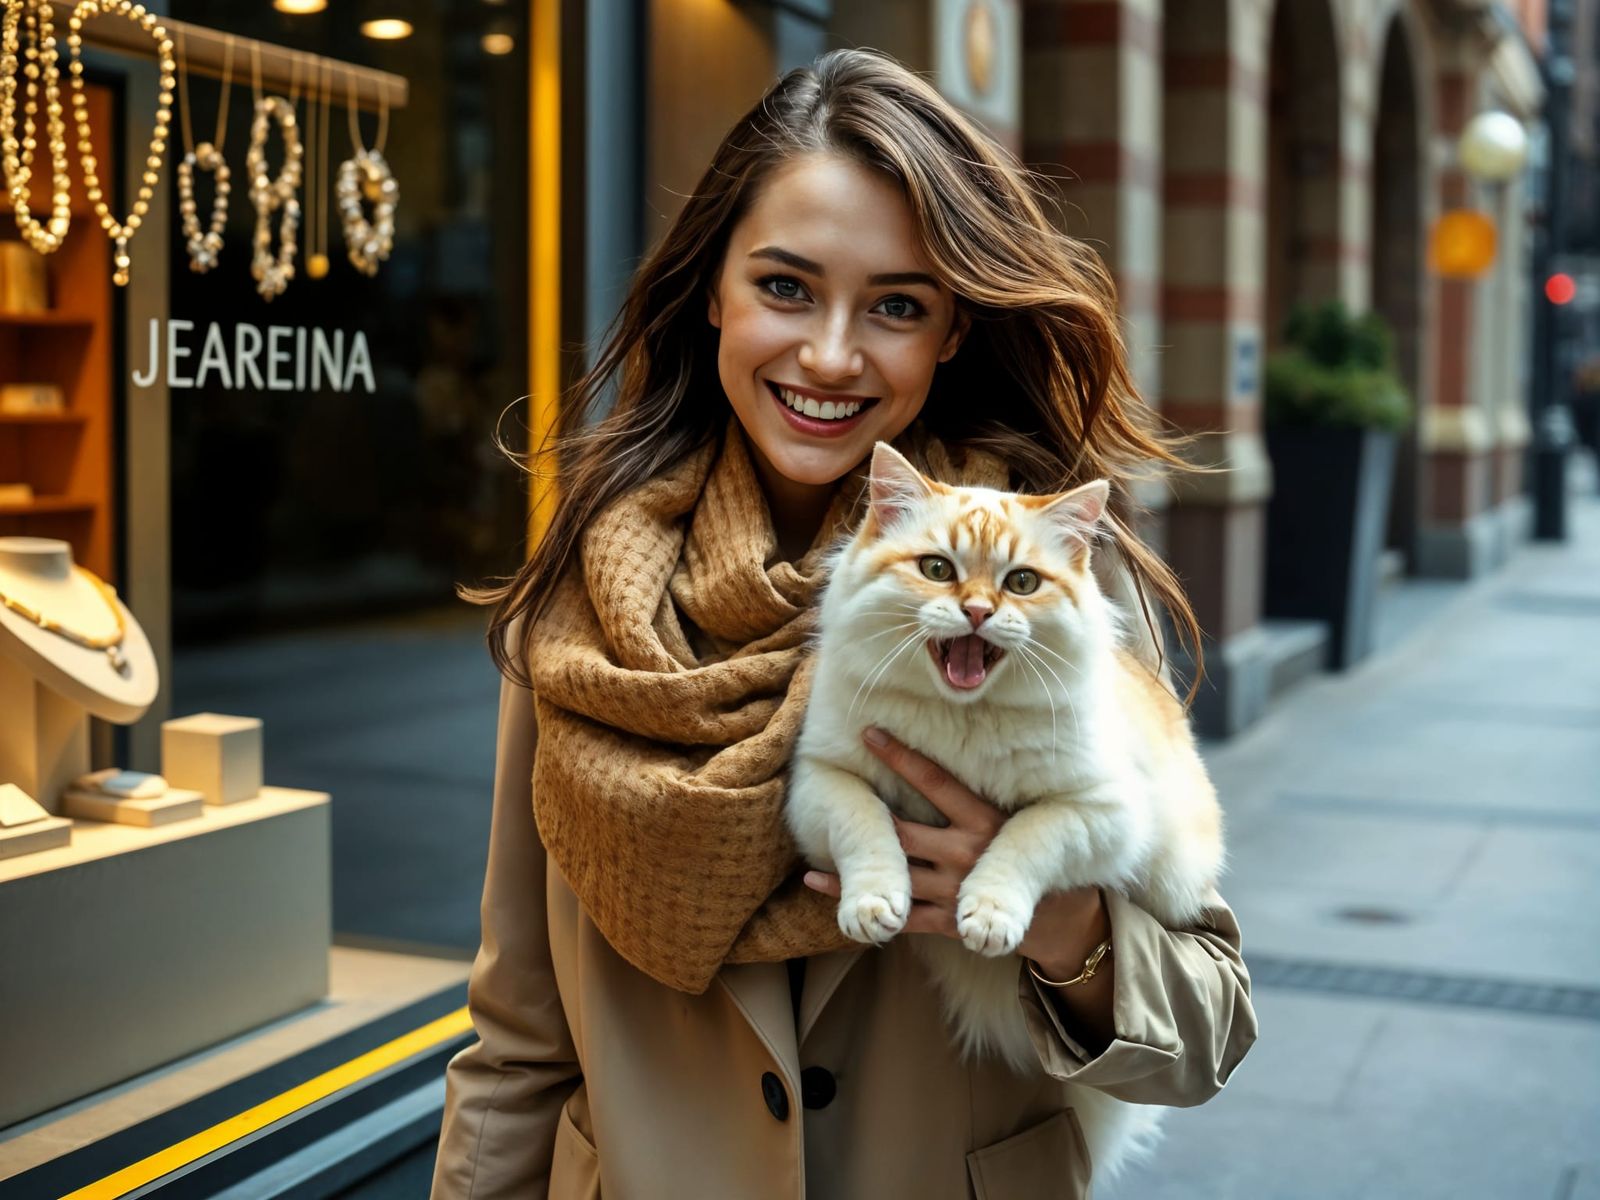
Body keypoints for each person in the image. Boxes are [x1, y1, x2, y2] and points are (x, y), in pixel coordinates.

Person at [431, 48, 1257, 1200]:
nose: (828, 354)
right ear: (710, 290)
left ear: (953, 330)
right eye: (783, 287)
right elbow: (519, 1036)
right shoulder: (584, 606)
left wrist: (1063, 926)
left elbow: (1210, 1027)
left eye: (896, 307)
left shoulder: (1049, 583)